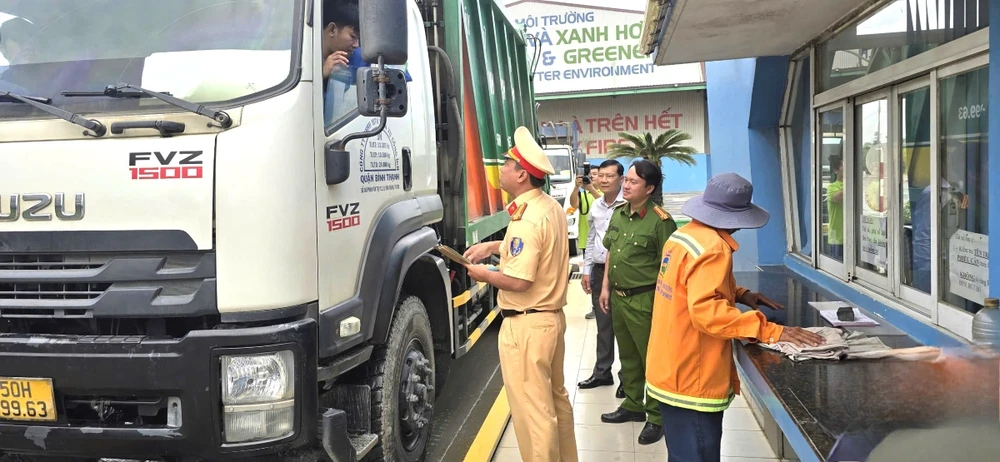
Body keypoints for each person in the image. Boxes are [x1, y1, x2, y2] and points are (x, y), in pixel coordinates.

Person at [646, 172, 825, 462]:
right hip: (694, 377)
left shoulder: (684, 236)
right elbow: (707, 313)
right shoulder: (714, 248)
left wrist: (740, 294)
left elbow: (687, 286)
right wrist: (770, 330)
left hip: (669, 366)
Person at [464, 126, 578, 461]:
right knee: (556, 401)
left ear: (522, 175)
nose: (502, 169)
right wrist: (495, 246)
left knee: (533, 413)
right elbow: (539, 249)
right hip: (550, 321)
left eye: (508, 164)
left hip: (527, 327)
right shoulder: (548, 208)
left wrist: (483, 274)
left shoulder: (525, 221)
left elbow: (519, 281)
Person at [598, 159, 676, 445]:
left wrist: (663, 307)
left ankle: (656, 418)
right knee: (628, 356)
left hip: (645, 300)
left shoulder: (661, 222)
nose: (626, 185)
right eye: (626, 180)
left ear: (650, 188)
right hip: (619, 298)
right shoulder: (619, 214)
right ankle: (633, 405)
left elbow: (669, 269)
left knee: (652, 360)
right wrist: (605, 287)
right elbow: (611, 253)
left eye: (632, 182)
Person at [576, 160, 626, 396]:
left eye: (610, 176)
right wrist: (586, 270)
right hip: (597, 270)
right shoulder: (596, 205)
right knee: (603, 325)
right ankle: (602, 373)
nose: (604, 180)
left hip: (622, 272)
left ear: (621, 179)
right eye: (601, 176)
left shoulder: (628, 206)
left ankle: (628, 378)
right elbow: (590, 239)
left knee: (625, 327)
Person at [568, 165, 601, 319]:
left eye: (595, 174)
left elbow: (604, 204)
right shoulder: (584, 195)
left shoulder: (604, 195)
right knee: (591, 278)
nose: (592, 177)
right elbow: (574, 204)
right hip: (587, 243)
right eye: (590, 174)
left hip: (602, 244)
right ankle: (596, 307)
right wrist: (576, 188)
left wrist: (591, 189)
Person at [321, 0, 360, 124]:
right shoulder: (297, 59)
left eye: (358, 39)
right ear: (332, 29)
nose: (356, 45)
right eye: (353, 37)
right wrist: (320, 76)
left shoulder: (359, 58)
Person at [826, 155, 845, 260]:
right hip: (838, 238)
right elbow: (839, 197)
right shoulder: (832, 187)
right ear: (835, 170)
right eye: (843, 165)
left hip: (853, 237)